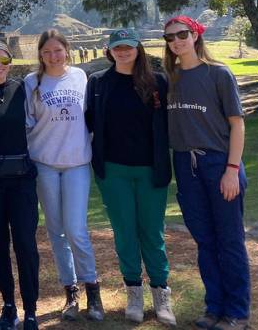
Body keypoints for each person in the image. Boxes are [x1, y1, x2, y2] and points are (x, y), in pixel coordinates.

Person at [163, 16, 250, 330]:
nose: (177, 41)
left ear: (196, 34)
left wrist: (231, 169)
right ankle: (214, 308)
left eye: (182, 34)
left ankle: (237, 312)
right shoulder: (168, 79)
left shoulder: (218, 74)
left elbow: (237, 124)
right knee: (205, 241)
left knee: (230, 241)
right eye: (170, 37)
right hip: (186, 167)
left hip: (219, 163)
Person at [85, 29, 176, 325]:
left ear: (138, 49)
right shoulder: (99, 82)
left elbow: (168, 124)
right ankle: (134, 291)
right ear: (109, 51)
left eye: (128, 47)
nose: (123, 52)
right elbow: (89, 121)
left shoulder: (158, 81)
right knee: (125, 232)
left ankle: (161, 294)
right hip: (114, 171)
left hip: (151, 169)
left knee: (152, 232)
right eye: (117, 47)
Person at [24, 29, 103, 321]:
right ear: (40, 55)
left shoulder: (81, 77)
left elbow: (91, 117)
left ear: (67, 51)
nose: (53, 56)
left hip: (77, 162)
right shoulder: (31, 83)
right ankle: (70, 291)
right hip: (44, 162)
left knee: (75, 229)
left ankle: (92, 287)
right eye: (47, 52)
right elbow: (27, 124)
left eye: (58, 50)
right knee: (55, 231)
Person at [0, 39, 40, 330]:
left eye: (4, 61)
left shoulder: (23, 88)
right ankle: (8, 304)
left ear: (11, 62)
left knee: (26, 245)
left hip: (22, 179)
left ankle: (30, 309)